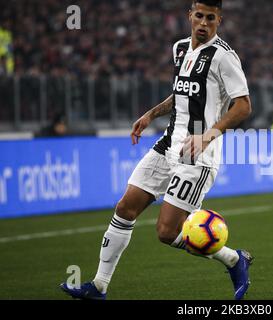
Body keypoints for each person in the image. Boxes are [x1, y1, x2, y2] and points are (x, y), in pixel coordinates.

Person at [60, 0, 253, 300]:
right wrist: (150, 114)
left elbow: (243, 106)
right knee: (125, 207)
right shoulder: (179, 49)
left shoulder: (224, 57)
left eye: (210, 18)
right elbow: (180, 94)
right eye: (199, 16)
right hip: (167, 145)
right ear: (190, 15)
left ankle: (232, 259)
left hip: (198, 155)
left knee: (166, 232)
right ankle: (98, 286)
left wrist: (208, 136)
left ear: (219, 20)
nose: (203, 23)